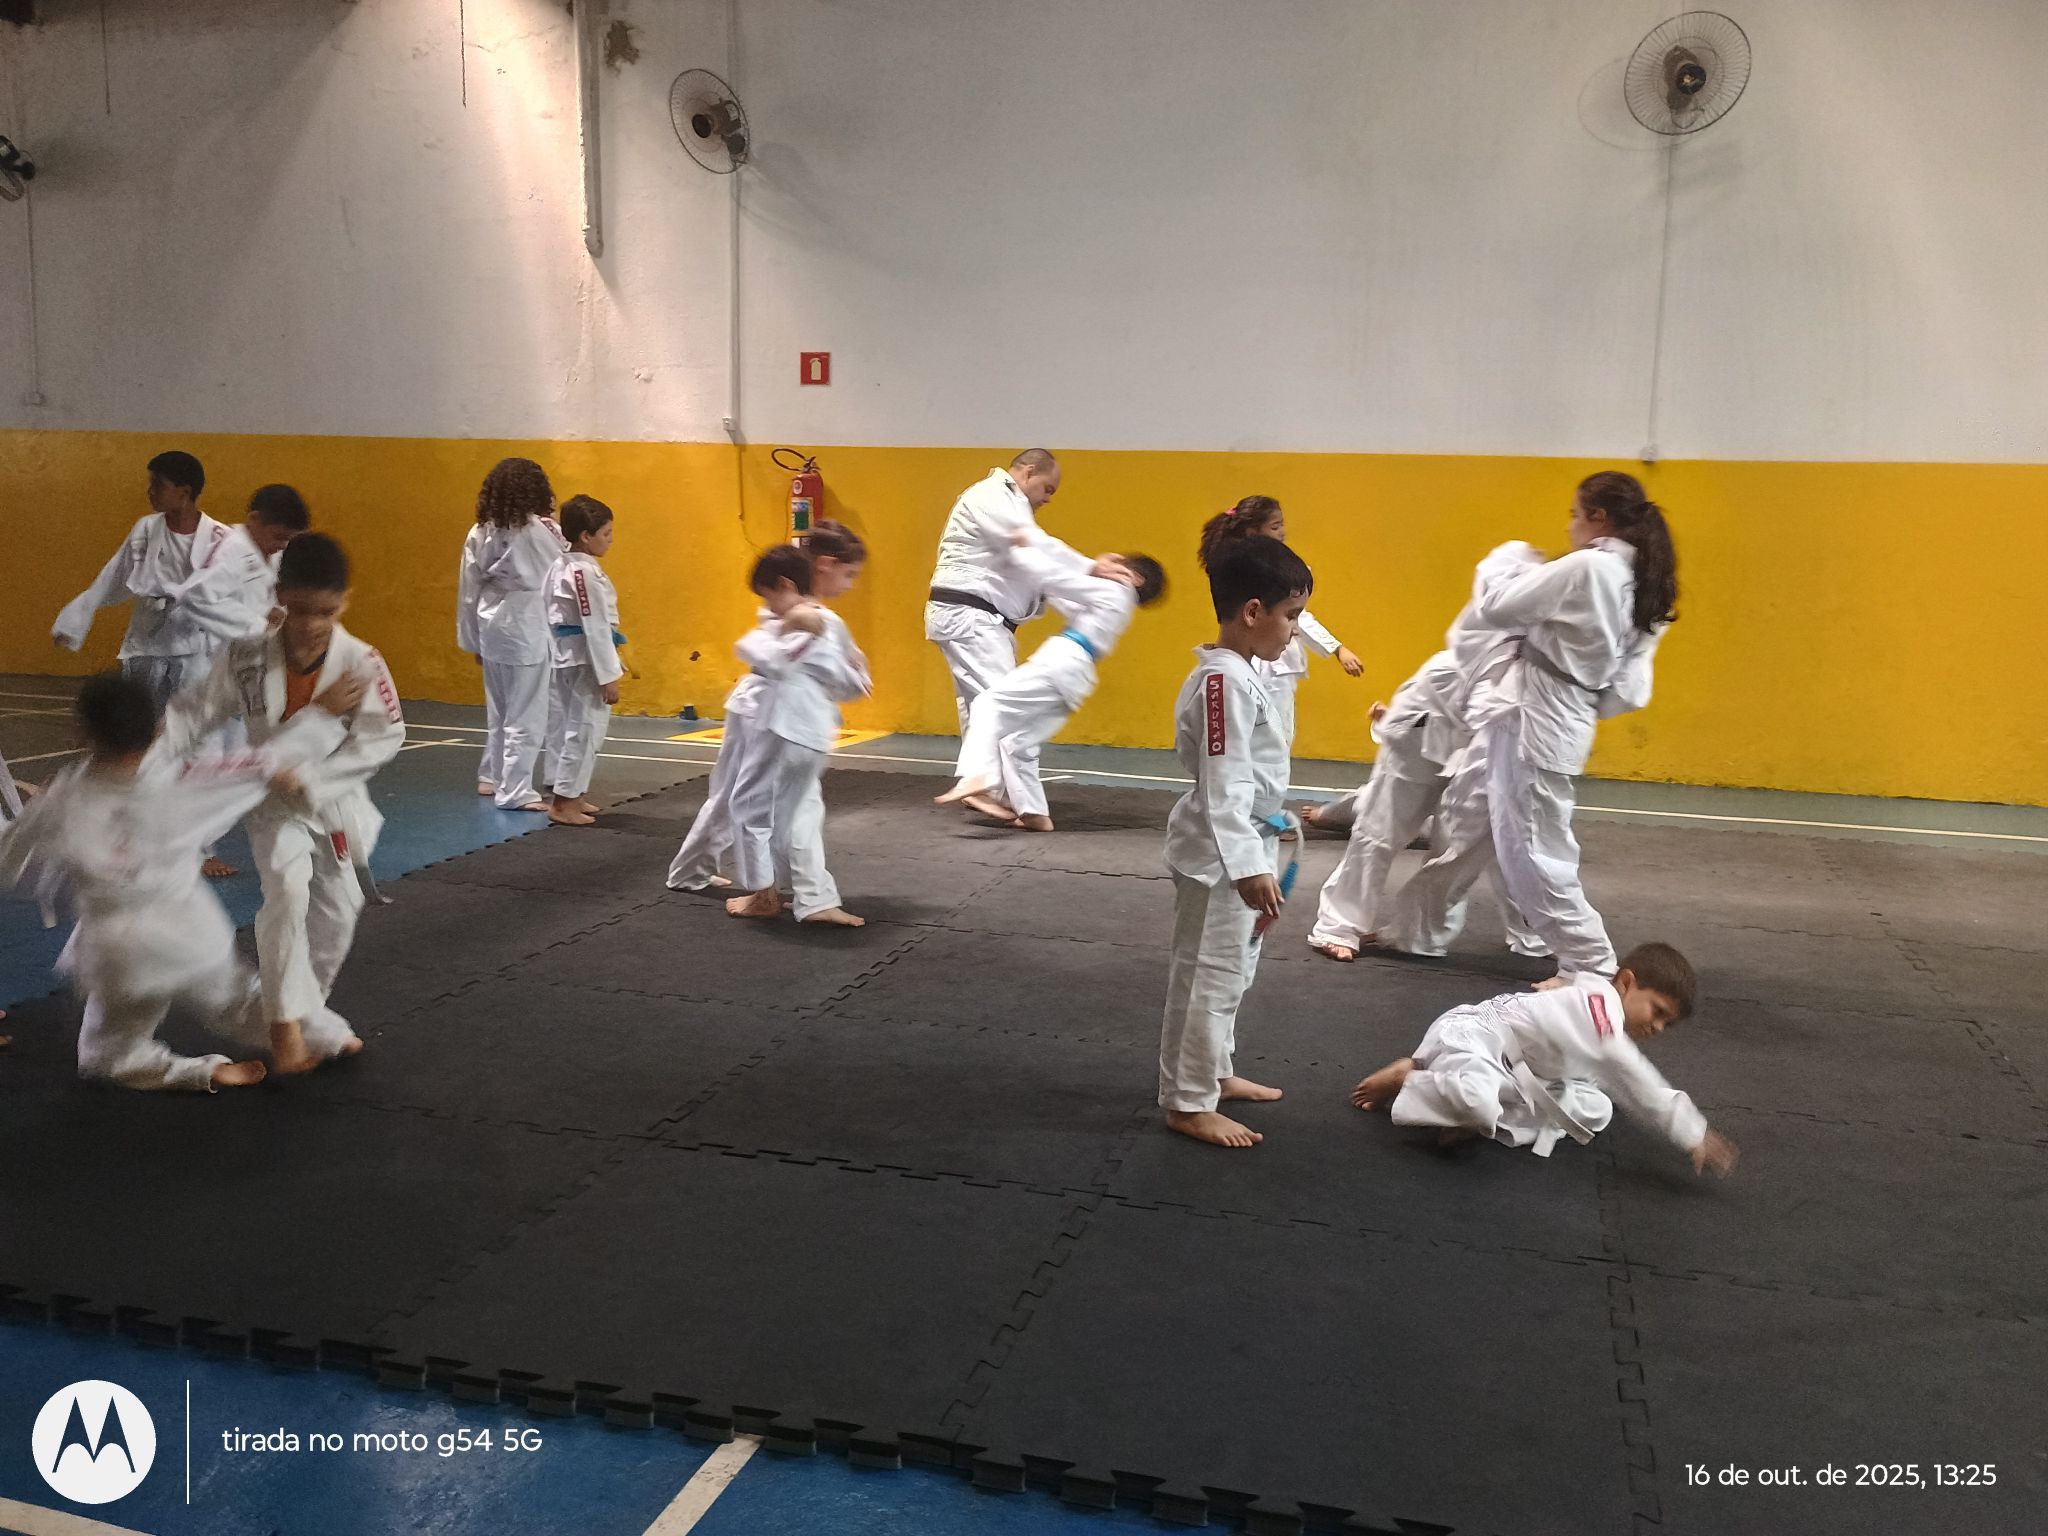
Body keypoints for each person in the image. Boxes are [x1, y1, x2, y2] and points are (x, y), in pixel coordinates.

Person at [0, 670, 366, 1091]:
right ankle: (330, 1036)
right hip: (191, 938)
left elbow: (8, 860)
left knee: (107, 1053)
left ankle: (201, 1072)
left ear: (82, 734)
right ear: (154, 732)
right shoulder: (181, 778)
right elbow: (263, 761)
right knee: (243, 1001)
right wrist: (321, 714)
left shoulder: (62, 799)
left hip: (119, 957)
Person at [1379, 473, 1677, 976]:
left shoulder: (1589, 567)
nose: (1570, 526)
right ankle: (1416, 932)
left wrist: (1508, 562)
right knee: (1466, 822)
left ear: (1599, 517)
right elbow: (1628, 687)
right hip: (1537, 710)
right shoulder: (1638, 576)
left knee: (1536, 851)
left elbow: (1496, 608)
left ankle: (1590, 964)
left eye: (1575, 515)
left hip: (1538, 720)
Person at [157, 534, 406, 1074]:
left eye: (326, 612)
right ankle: (283, 1029)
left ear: (345, 602)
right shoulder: (246, 656)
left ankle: (308, 1018)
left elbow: (384, 737)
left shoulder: (361, 662)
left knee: (337, 917)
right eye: (299, 609)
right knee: (287, 897)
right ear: (279, 595)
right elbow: (194, 713)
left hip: (335, 806)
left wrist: (314, 779)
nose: (312, 624)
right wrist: (150, 754)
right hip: (272, 806)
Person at [1306, 543, 1548, 962]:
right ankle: (1338, 925)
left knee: (1484, 843)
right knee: (1379, 831)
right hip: (1421, 734)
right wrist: (1393, 720)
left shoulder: (1546, 647)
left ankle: (1424, 934)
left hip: (1482, 748)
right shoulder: (1471, 648)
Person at [1157, 537, 1312, 1149]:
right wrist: (1247, 865)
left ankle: (1215, 1072)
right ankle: (1188, 1102)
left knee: (1234, 973)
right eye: (1291, 616)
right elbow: (1225, 782)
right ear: (1252, 611)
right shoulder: (1221, 681)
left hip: (1247, 838)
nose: (1294, 632)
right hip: (1221, 854)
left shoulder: (1241, 674)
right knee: (1208, 979)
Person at [1351, 942, 1739, 1175]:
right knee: (1477, 1101)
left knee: (1596, 1109)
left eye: (1667, 1024)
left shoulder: (1603, 1029)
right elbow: (1635, 1074)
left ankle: (1464, 1115)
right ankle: (1409, 1078)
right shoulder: (1597, 1007)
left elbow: (1617, 1082)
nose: (1657, 1027)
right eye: (1657, 1011)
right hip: (1474, 1037)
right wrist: (1692, 1132)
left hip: (1515, 1070)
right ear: (1626, 983)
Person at [937, 532, 1164, 830]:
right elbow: (1061, 595)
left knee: (987, 704)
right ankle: (1034, 813)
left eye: (1117, 566)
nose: (1107, 569)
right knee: (1019, 742)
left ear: (1133, 578)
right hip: (1076, 676)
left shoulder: (1113, 591)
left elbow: (1055, 579)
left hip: (1061, 662)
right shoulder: (1116, 602)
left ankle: (978, 776)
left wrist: (1021, 549)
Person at [726, 523, 872, 926]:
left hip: (782, 726)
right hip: (809, 729)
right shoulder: (822, 619)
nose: (851, 584)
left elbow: (767, 658)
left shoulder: (804, 617)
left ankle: (765, 894)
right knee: (800, 813)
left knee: (752, 806)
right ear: (824, 565)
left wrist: (788, 626)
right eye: (849, 574)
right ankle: (814, 898)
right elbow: (854, 683)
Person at [1195, 496, 1361, 752]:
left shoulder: (1280, 571)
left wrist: (1337, 648)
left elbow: (1300, 617)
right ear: (1253, 532)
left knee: (1272, 735)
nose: (1282, 532)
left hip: (1273, 665)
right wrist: (1338, 649)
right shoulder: (1254, 575)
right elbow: (1301, 618)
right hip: (1263, 664)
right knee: (1265, 736)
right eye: (1275, 526)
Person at [457, 457, 567, 811]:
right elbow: (565, 567)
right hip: (527, 624)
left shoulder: (479, 532)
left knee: (500, 710)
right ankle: (515, 790)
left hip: (492, 624)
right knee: (527, 713)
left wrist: (472, 639)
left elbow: (468, 591)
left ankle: (492, 776)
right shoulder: (538, 531)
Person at [542, 495, 624, 827]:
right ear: (586, 536)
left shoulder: (561, 564)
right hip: (585, 659)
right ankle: (564, 803)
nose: (611, 539)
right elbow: (595, 625)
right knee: (585, 730)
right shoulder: (582, 572)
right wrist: (609, 675)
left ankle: (571, 795)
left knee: (573, 728)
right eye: (606, 533)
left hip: (569, 655)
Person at [170, 483, 310, 645]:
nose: (284, 545)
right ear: (254, 519)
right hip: (203, 647)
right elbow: (196, 598)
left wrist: (274, 611)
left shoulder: (274, 552)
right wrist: (257, 625)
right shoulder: (227, 548)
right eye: (279, 537)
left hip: (251, 644)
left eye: (289, 539)